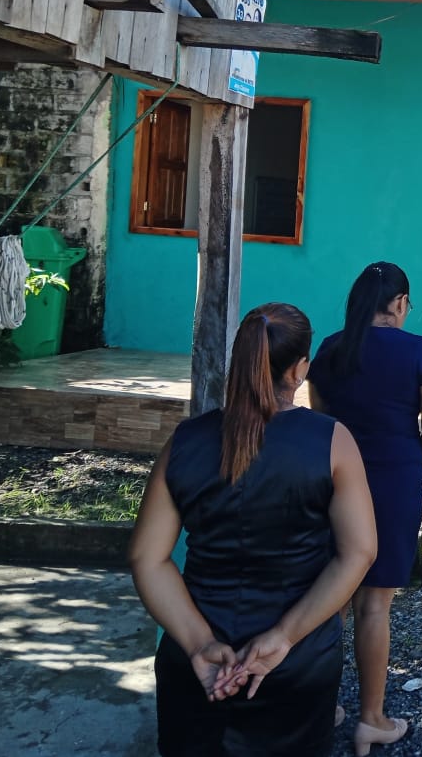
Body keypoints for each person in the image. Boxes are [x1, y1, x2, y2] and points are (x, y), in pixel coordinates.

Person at [130, 303, 378, 756]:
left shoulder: (184, 442)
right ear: (299, 369)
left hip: (196, 666)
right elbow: (359, 552)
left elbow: (147, 558)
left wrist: (199, 644)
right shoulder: (332, 442)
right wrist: (284, 636)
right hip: (298, 663)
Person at [309, 262, 422, 755]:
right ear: (399, 304)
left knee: (330, 598)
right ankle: (371, 719)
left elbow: (321, 419)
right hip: (394, 481)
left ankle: (320, 706)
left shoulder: (331, 349)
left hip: (334, 482)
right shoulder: (418, 351)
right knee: (374, 604)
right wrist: (413, 458)